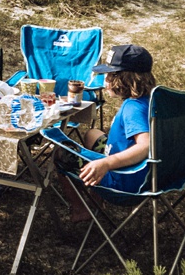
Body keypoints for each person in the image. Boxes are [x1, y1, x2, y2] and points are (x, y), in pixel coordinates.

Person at [58, 44, 156, 222]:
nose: (105, 81)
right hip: (152, 173)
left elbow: (146, 145)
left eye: (110, 75)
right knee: (92, 134)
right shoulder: (153, 99)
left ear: (126, 78)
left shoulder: (132, 108)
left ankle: (82, 209)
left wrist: (106, 164)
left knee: (62, 154)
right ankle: (96, 201)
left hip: (126, 181)